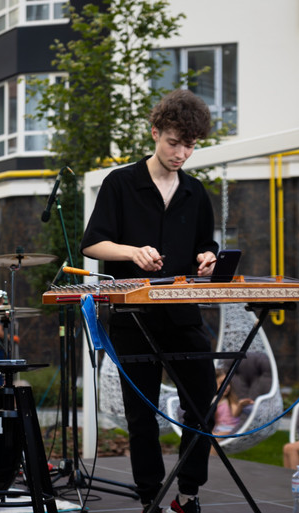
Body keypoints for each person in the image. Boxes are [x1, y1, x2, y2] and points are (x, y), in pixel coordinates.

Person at [80, 89, 218, 513]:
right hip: (133, 316)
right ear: (155, 132)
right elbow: (93, 243)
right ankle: (149, 498)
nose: (181, 154)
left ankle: (188, 494)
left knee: (203, 405)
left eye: (190, 146)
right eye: (174, 143)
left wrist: (207, 257)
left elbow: (205, 243)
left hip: (183, 314)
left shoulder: (196, 192)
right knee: (142, 415)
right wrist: (131, 252)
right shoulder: (120, 183)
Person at [212, 369, 254, 437]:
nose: (226, 386)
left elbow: (235, 414)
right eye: (222, 383)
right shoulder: (213, 400)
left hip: (230, 429)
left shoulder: (229, 400)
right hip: (218, 428)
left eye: (228, 383)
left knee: (214, 438)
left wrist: (240, 404)